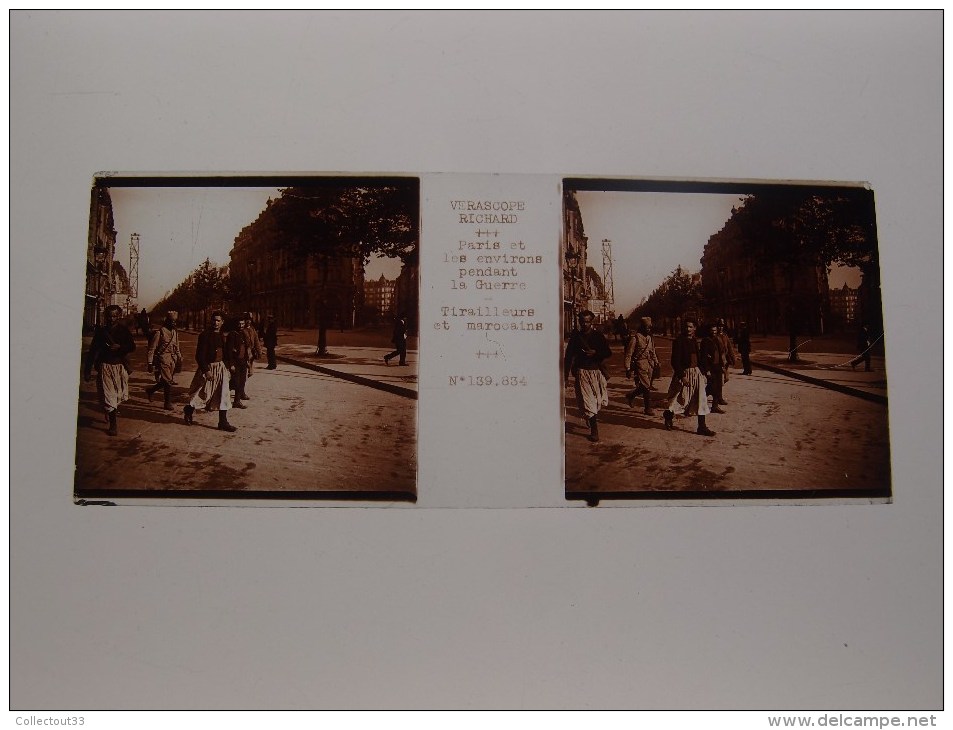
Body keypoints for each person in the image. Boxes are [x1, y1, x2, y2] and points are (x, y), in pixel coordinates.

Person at [83, 304, 136, 436]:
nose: (111, 319)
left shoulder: (123, 330)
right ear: (105, 317)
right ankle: (113, 425)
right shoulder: (101, 332)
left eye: (114, 316)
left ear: (118, 316)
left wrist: (120, 347)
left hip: (119, 368)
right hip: (105, 367)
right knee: (109, 395)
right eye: (109, 316)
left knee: (118, 395)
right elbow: (93, 351)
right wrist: (87, 370)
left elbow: (132, 346)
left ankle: (110, 410)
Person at [184, 311, 237, 431]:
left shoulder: (223, 336)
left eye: (218, 320)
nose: (216, 323)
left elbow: (226, 354)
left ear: (222, 322)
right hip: (208, 368)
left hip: (220, 368)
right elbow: (199, 356)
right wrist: (206, 370)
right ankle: (189, 409)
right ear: (211, 321)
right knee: (202, 393)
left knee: (224, 394)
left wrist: (228, 367)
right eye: (214, 320)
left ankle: (223, 422)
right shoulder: (204, 335)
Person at [564, 310, 612, 442]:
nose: (585, 324)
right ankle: (594, 431)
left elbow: (608, 352)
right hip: (582, 373)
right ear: (579, 322)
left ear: (591, 322)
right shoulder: (575, 338)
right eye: (582, 322)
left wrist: (595, 353)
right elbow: (568, 357)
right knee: (588, 401)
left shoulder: (598, 336)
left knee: (596, 402)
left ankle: (590, 418)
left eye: (587, 321)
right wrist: (565, 376)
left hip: (596, 373)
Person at [661, 318, 715, 437]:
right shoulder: (679, 341)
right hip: (684, 374)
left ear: (695, 328)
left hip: (696, 373)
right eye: (686, 327)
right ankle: (668, 415)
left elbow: (699, 360)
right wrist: (682, 376)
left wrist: (704, 373)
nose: (688, 329)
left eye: (691, 327)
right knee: (679, 399)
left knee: (701, 399)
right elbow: (675, 361)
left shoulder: (695, 341)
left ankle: (702, 427)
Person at [145, 310, 182, 411]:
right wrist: (150, 362)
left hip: (173, 359)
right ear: (167, 321)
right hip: (163, 358)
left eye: (175, 321)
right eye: (171, 321)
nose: (173, 323)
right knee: (168, 381)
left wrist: (179, 358)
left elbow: (177, 346)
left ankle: (151, 390)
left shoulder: (175, 332)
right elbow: (152, 349)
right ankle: (167, 403)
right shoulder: (160, 332)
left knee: (166, 380)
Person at [623, 317, 659, 415]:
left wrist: (656, 362)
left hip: (650, 364)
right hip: (640, 364)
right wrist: (628, 368)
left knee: (645, 386)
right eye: (646, 327)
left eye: (649, 327)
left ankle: (631, 395)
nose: (648, 329)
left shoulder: (649, 338)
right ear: (642, 327)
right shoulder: (635, 338)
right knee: (646, 386)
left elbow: (653, 352)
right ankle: (648, 409)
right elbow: (628, 354)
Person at [700, 322, 727, 414]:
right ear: (708, 331)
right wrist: (707, 370)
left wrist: (723, 365)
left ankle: (715, 406)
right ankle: (697, 399)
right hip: (710, 367)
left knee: (718, 386)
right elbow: (703, 356)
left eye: (715, 330)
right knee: (712, 387)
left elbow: (721, 352)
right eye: (712, 331)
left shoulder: (717, 339)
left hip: (718, 366)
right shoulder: (705, 341)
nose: (713, 332)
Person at [224, 316, 249, 410]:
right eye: (239, 324)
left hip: (243, 361)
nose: (241, 325)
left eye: (242, 324)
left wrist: (247, 361)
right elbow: (229, 351)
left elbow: (245, 348)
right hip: (235, 362)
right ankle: (231, 400)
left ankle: (237, 401)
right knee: (236, 382)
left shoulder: (243, 333)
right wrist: (231, 364)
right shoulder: (232, 334)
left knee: (242, 381)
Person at [237, 312, 261, 399]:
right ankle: (240, 392)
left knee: (248, 374)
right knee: (241, 375)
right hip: (243, 355)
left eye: (250, 320)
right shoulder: (241, 330)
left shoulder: (252, 329)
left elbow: (256, 341)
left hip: (250, 355)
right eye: (247, 320)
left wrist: (259, 352)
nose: (248, 322)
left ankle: (240, 391)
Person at [715, 318, 735, 402]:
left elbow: (729, 347)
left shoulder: (725, 335)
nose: (720, 328)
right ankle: (719, 398)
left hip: (725, 361)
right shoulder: (715, 336)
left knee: (726, 378)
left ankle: (707, 392)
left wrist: (733, 358)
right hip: (718, 361)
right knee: (720, 380)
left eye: (722, 326)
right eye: (719, 326)